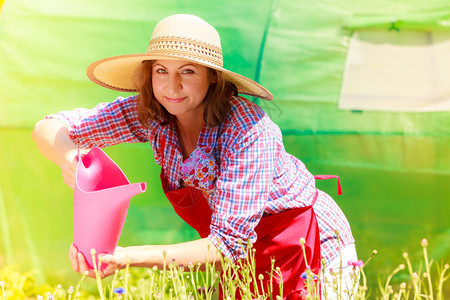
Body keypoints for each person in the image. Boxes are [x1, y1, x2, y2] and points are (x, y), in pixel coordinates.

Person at [32, 14, 357, 299]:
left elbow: (228, 245)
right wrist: (69, 157)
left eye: (187, 71)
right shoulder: (152, 113)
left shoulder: (248, 131)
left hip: (307, 246)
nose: (172, 86)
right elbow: (50, 127)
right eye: (161, 70)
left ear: (212, 76)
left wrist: (126, 257)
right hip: (244, 259)